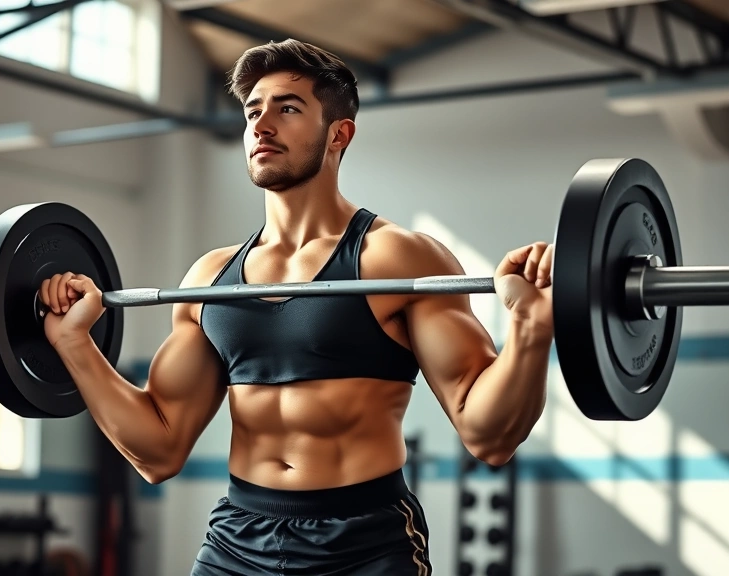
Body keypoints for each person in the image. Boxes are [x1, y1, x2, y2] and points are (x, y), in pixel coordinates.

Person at [39, 39, 554, 576]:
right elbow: (158, 449)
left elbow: (488, 435)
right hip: (238, 539)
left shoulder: (395, 258)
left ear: (339, 133)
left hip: (364, 543)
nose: (262, 126)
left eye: (287, 108)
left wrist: (530, 329)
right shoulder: (210, 280)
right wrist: (75, 344)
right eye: (252, 111)